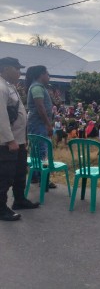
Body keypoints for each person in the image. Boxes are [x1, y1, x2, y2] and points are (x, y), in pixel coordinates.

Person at [0, 57, 39, 221]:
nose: (19, 72)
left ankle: (20, 199)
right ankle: (1, 209)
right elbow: (1, 116)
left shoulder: (10, 87)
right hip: (7, 142)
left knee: (19, 172)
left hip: (18, 140)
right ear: (6, 68)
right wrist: (9, 140)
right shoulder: (1, 87)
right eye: (17, 69)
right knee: (5, 175)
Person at [26, 65, 56, 188]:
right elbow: (40, 107)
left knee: (35, 151)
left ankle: (34, 176)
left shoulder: (37, 87)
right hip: (39, 124)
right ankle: (43, 179)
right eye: (47, 74)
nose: (48, 76)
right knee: (43, 152)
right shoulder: (37, 87)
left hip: (36, 124)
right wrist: (48, 125)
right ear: (41, 75)